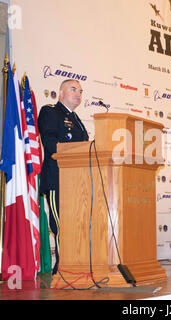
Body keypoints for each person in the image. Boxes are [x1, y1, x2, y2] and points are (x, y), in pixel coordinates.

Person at [38, 79, 89, 275]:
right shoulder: (50, 111)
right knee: (62, 225)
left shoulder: (76, 119)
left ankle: (79, 264)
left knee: (78, 224)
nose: (78, 94)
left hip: (79, 181)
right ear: (60, 93)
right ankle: (63, 268)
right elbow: (50, 142)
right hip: (58, 178)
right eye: (73, 89)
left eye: (81, 91)